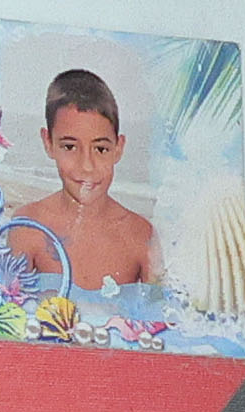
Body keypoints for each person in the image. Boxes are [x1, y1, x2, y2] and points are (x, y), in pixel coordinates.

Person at [27, 66, 161, 290]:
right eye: (70, 147)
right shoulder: (28, 227)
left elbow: (160, 318)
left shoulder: (142, 236)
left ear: (118, 148)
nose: (87, 166)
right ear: (48, 142)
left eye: (100, 149)